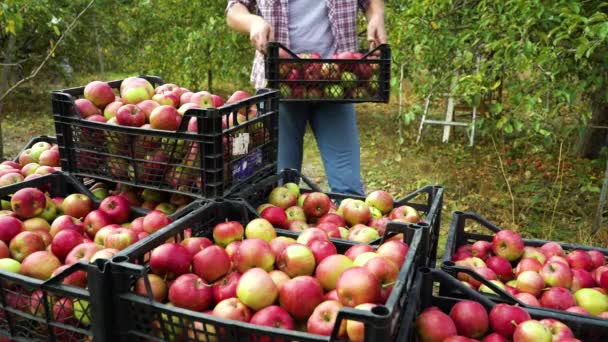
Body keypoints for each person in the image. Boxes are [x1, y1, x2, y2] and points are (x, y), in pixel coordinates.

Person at [226, 0, 387, 195]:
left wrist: (377, 15)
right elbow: (234, 8)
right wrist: (253, 22)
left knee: (348, 189)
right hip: (280, 83)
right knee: (281, 188)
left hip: (335, 83)